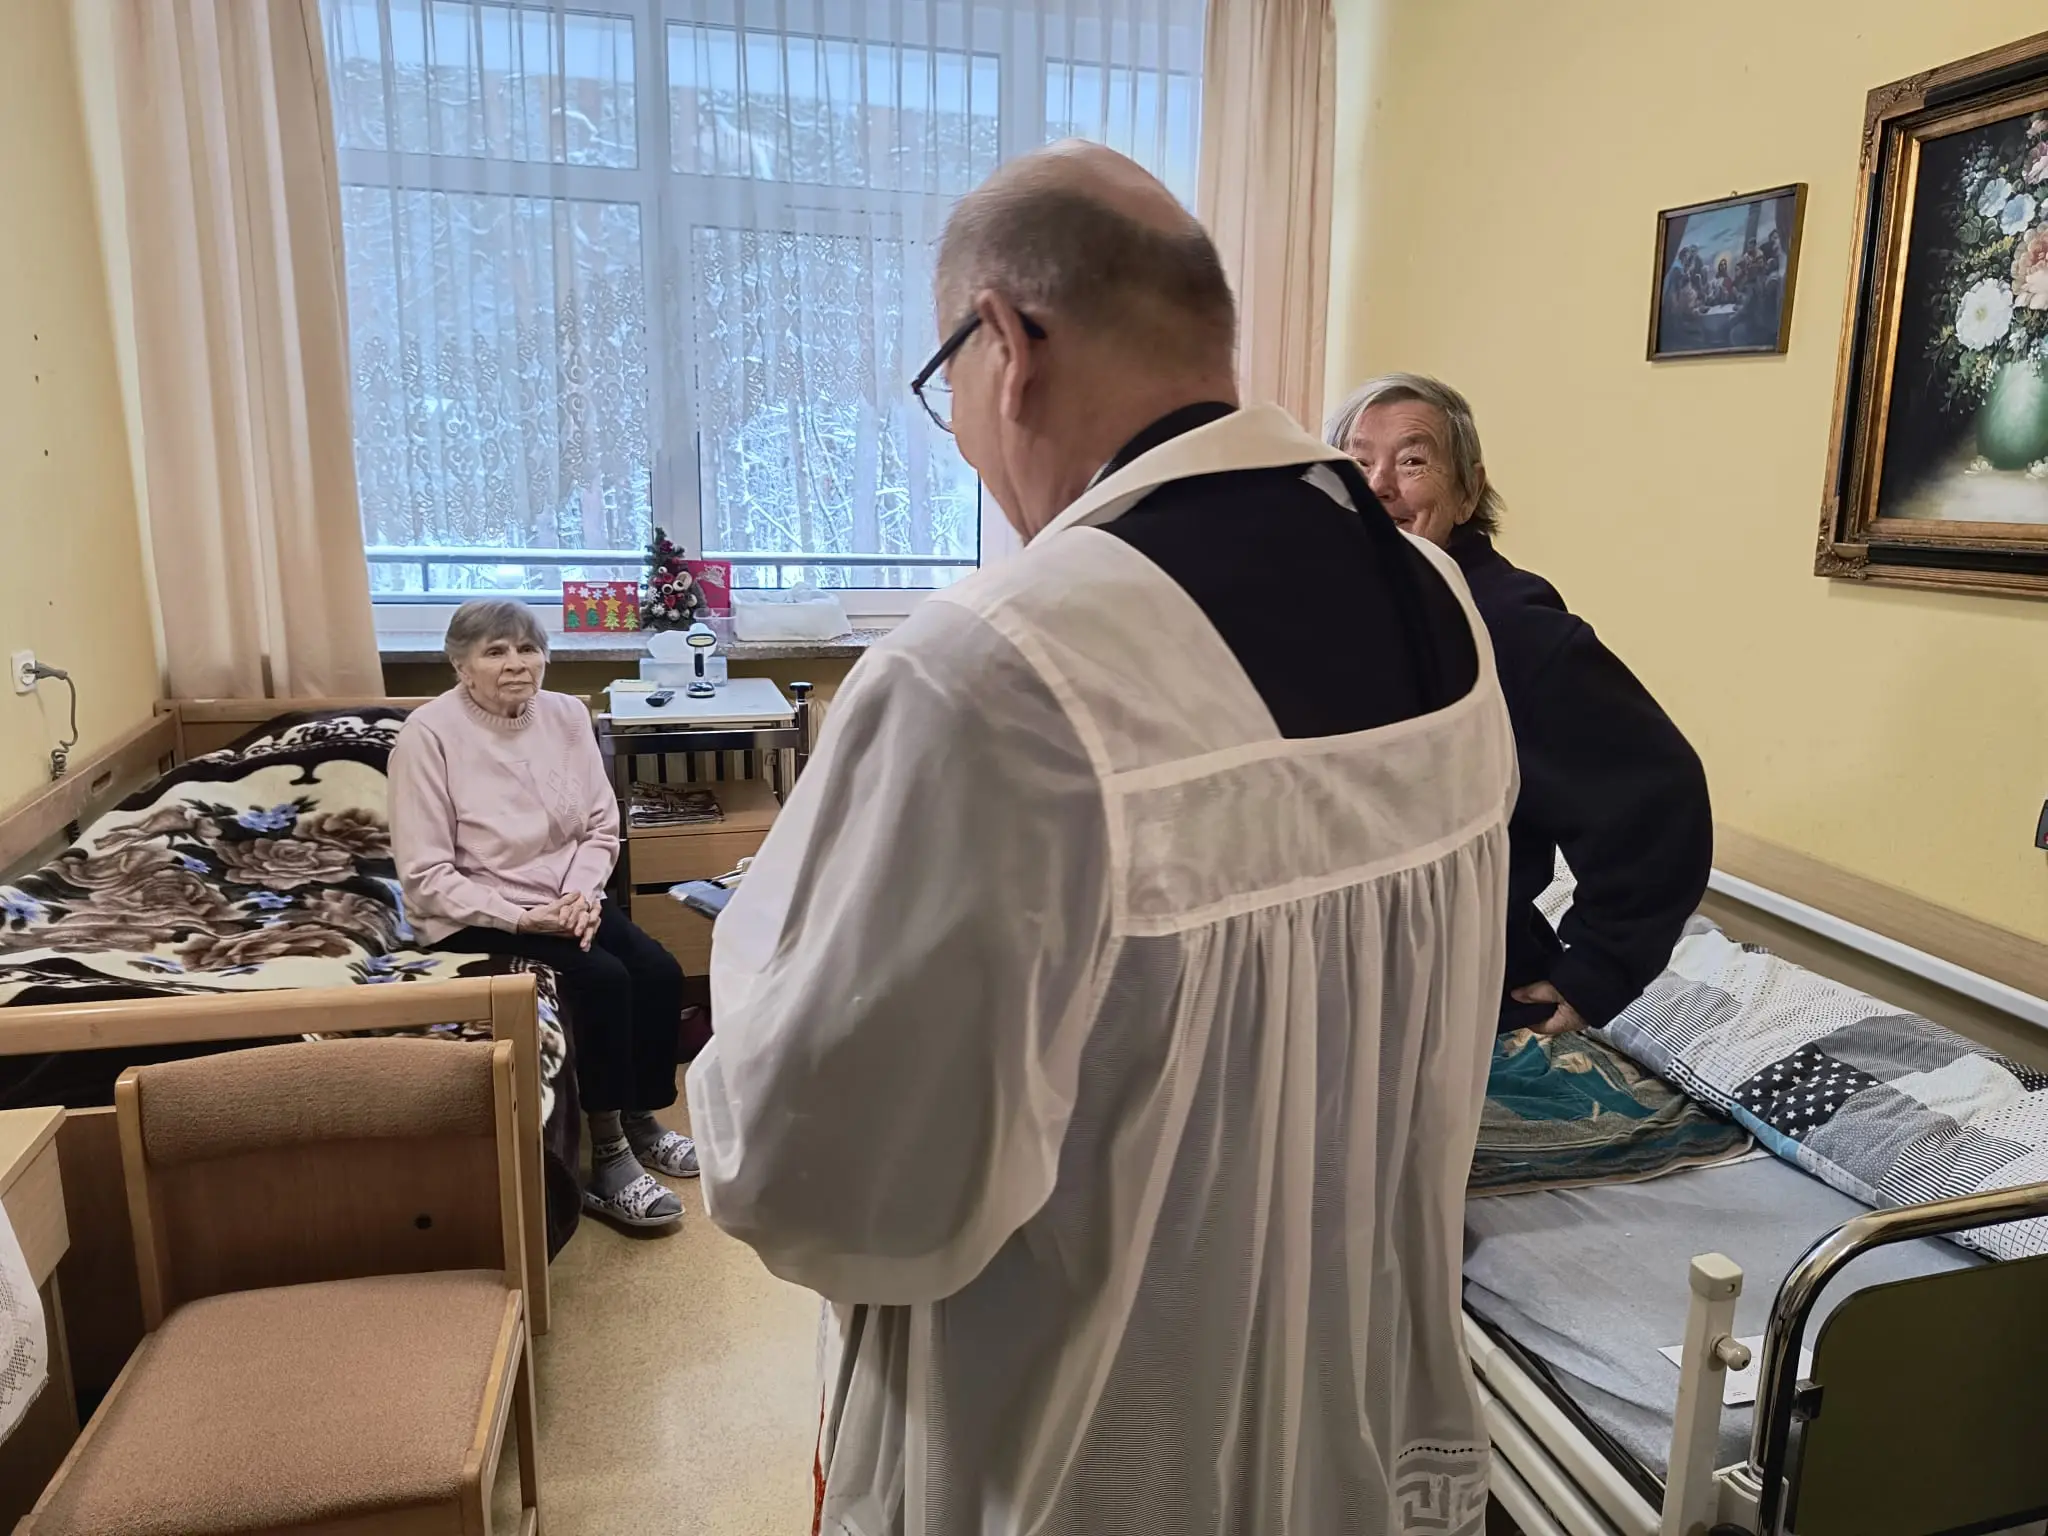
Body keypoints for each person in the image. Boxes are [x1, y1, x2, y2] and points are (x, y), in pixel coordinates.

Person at [687, 143, 1515, 1536]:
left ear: (1004, 345)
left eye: (944, 389)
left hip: (1082, 1461)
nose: (962, 438)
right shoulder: (1440, 602)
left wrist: (764, 944)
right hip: (1347, 1428)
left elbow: (836, 1186)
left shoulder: (994, 669)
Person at [1328, 374, 1712, 1037]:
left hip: (1441, 1005)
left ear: (1468, 491)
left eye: (1412, 461)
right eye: (1357, 464)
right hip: (1334, 990)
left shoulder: (1508, 630)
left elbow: (1656, 797)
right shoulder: (1333, 608)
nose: (1379, 485)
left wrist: (1600, 968)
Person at [389, 598, 696, 1231]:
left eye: (527, 648)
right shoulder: (427, 735)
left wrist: (582, 894)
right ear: (460, 665)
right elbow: (425, 875)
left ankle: (641, 1119)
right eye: (494, 652)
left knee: (659, 972)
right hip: (481, 907)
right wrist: (523, 919)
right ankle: (608, 1156)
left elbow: (601, 825)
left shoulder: (567, 715)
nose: (515, 664)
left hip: (567, 895)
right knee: (603, 980)